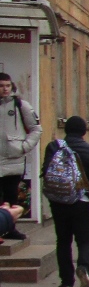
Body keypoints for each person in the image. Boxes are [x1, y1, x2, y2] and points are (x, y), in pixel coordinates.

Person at [40, 116, 89, 287]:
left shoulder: (53, 147)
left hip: (58, 201)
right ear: (84, 132)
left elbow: (46, 171)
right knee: (84, 240)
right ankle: (84, 268)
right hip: (81, 202)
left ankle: (66, 281)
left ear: (66, 129)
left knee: (63, 240)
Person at [0, 72, 41, 240]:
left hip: (13, 160)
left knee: (11, 196)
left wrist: (24, 147)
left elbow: (36, 129)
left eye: (7, 85)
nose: (5, 89)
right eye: (1, 86)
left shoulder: (20, 105)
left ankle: (10, 228)